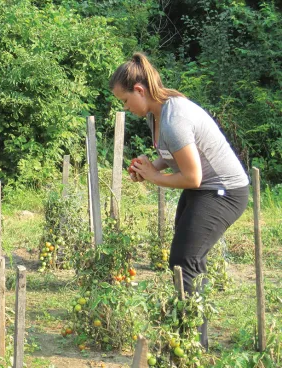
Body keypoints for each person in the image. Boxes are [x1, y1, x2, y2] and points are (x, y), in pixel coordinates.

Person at [109, 52, 249, 349]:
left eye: (124, 100)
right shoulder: (156, 114)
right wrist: (149, 168)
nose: (124, 107)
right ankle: (190, 333)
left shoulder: (174, 119)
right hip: (205, 189)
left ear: (139, 90)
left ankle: (191, 343)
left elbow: (192, 177)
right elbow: (170, 158)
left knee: (185, 260)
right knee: (185, 257)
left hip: (223, 191)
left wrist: (154, 177)